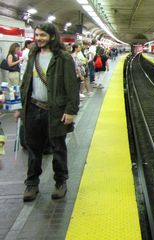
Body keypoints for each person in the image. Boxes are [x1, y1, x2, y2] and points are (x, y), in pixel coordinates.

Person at [17, 22, 79, 201]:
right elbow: (26, 82)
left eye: (42, 35)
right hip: (33, 109)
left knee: (58, 148)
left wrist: (70, 110)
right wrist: (20, 107)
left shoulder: (63, 58)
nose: (38, 38)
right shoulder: (32, 56)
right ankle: (31, 184)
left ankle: (61, 182)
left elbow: (72, 86)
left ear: (52, 36)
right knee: (33, 149)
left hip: (55, 112)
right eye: (36, 35)